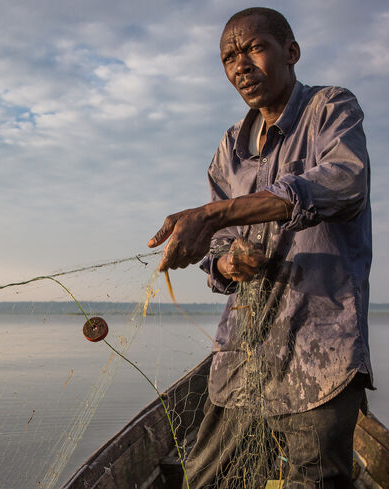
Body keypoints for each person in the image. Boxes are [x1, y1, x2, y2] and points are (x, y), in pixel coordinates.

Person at [147, 7, 373, 489]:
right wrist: (227, 263)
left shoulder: (330, 109)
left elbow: (344, 181)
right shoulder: (230, 147)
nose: (240, 65)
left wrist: (214, 215)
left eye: (254, 48)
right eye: (229, 57)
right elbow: (218, 255)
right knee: (207, 479)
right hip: (243, 354)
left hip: (321, 350)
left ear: (291, 52)